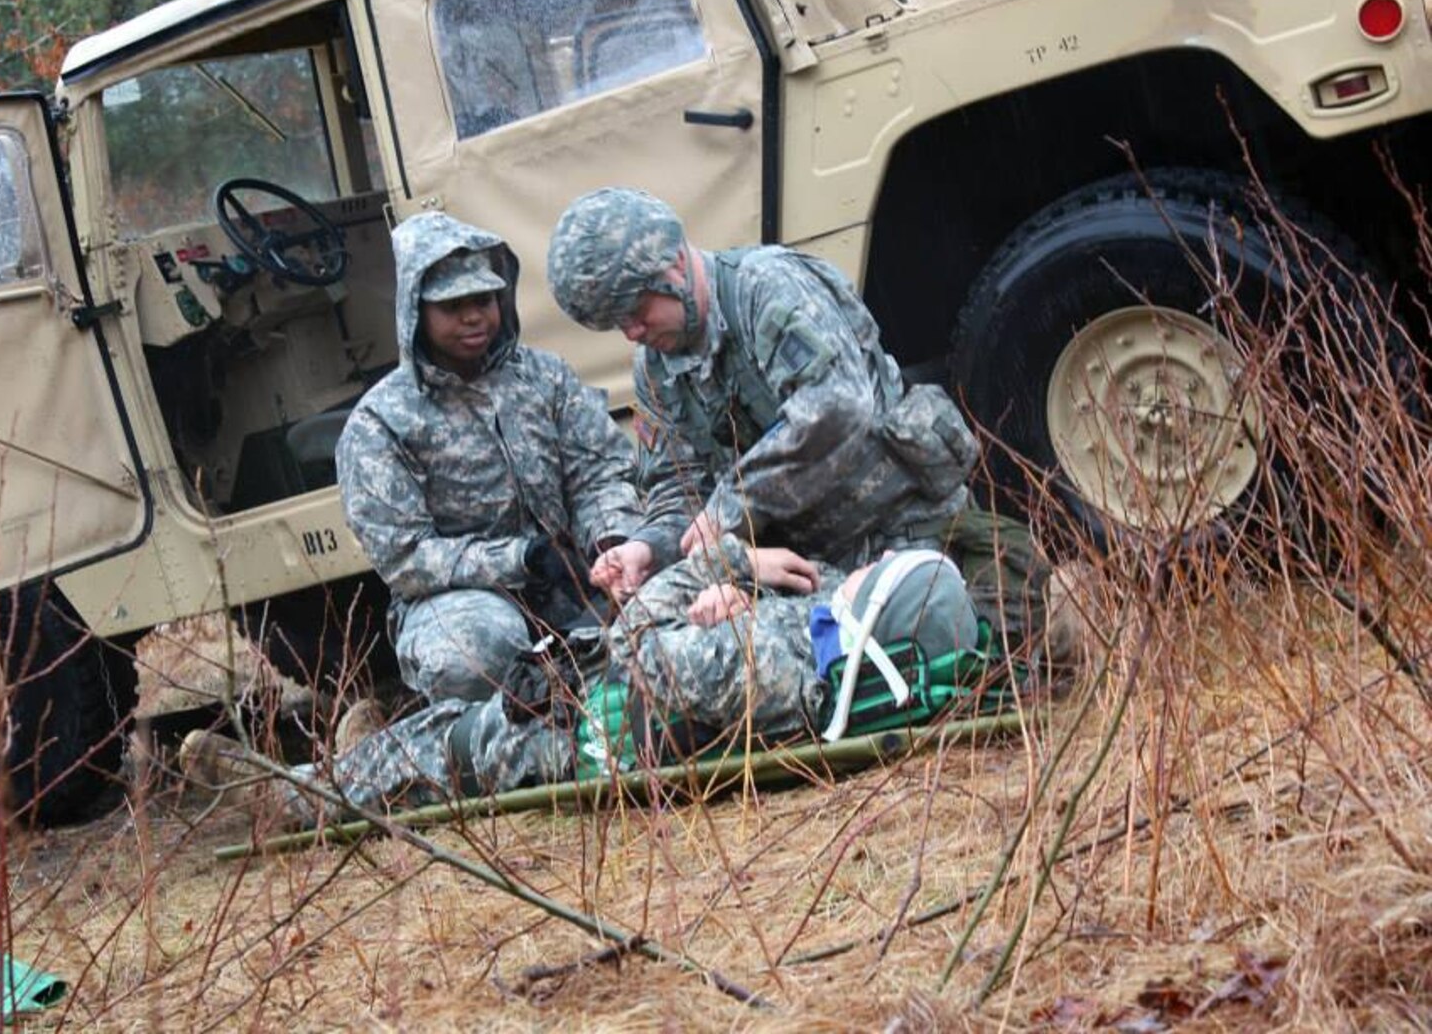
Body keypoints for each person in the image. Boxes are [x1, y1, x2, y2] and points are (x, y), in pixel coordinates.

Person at [542, 187, 1047, 649]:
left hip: (904, 528)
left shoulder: (768, 288)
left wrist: (733, 500)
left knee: (979, 640)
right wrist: (648, 548)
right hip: (800, 567)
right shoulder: (655, 370)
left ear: (674, 263)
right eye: (614, 324)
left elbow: (838, 406)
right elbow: (681, 488)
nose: (631, 331)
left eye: (636, 309)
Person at [179, 539, 985, 826]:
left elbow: (636, 642)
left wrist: (719, 567)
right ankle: (361, 756)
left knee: (445, 741)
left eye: (880, 569)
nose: (866, 563)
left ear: (876, 609)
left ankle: (284, 794)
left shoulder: (758, 661)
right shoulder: (838, 656)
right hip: (599, 714)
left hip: (568, 739)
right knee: (435, 730)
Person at [334, 211, 645, 705]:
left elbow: (600, 472)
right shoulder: (381, 422)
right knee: (478, 655)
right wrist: (523, 558)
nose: (473, 316)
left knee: (655, 611)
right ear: (416, 311)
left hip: (575, 579)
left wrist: (612, 542)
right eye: (452, 306)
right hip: (462, 602)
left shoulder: (545, 377)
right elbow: (407, 558)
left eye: (483, 299)